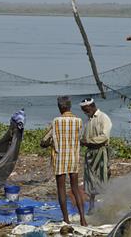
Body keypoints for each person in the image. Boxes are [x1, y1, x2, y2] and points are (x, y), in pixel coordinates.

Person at [40, 96, 87, 226]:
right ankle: (83, 219)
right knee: (75, 188)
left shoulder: (56, 121)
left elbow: (44, 140)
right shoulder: (78, 121)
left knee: (61, 189)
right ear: (70, 107)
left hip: (59, 157)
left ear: (60, 107)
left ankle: (66, 219)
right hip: (73, 157)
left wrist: (46, 143)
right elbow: (82, 138)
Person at [79, 98, 112, 213]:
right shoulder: (88, 120)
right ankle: (92, 207)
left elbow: (104, 137)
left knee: (101, 178)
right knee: (90, 180)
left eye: (86, 110)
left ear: (92, 106)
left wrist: (88, 141)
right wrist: (83, 141)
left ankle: (104, 207)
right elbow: (83, 136)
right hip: (90, 153)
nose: (85, 112)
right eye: (83, 110)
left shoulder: (103, 118)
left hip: (100, 152)